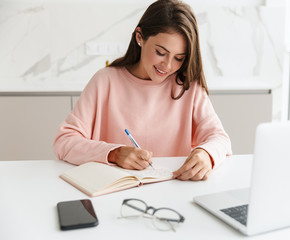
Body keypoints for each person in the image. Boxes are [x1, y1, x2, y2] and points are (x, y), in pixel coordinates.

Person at [53, 0, 231, 181]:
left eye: (178, 58)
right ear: (140, 37)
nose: (168, 66)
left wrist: (205, 154)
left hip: (172, 191)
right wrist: (114, 153)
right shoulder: (105, 81)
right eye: (161, 52)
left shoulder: (188, 87)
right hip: (114, 192)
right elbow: (64, 141)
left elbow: (220, 139)